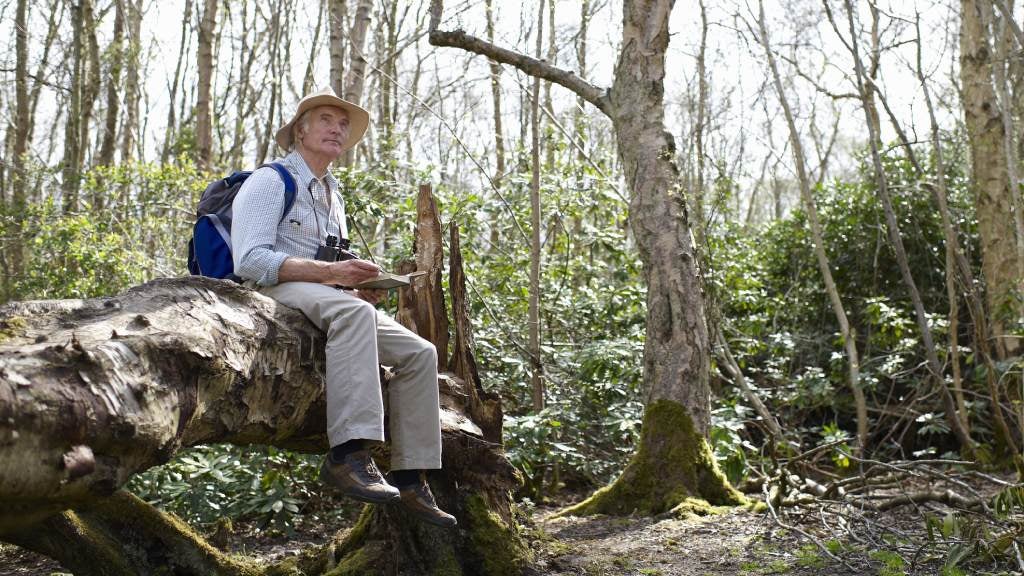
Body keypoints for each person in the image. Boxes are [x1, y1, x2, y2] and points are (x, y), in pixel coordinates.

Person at [231, 87, 456, 528]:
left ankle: (412, 477)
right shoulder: (270, 180)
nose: (337, 129)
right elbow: (251, 260)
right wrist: (333, 278)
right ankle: (349, 454)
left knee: (420, 353)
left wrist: (357, 285)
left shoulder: (335, 196)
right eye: (326, 120)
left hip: (324, 297)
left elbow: (332, 269)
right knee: (353, 315)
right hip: (269, 291)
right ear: (301, 130)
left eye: (343, 124)